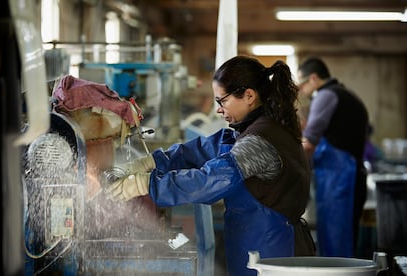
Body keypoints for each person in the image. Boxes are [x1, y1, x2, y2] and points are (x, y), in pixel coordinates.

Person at [105, 55, 316, 276]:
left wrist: (145, 185)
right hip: (256, 246)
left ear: (249, 96)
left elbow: (209, 180)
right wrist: (151, 162)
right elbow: (201, 150)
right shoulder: (248, 131)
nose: (218, 109)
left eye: (222, 101)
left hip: (273, 252)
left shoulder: (258, 142)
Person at [297, 57, 369, 257]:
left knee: (338, 240)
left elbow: (310, 142)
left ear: (313, 78)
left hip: (340, 180)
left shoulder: (326, 96)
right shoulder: (343, 93)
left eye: (302, 85)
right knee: (336, 239)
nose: (302, 90)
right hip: (340, 177)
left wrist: (286, 160)